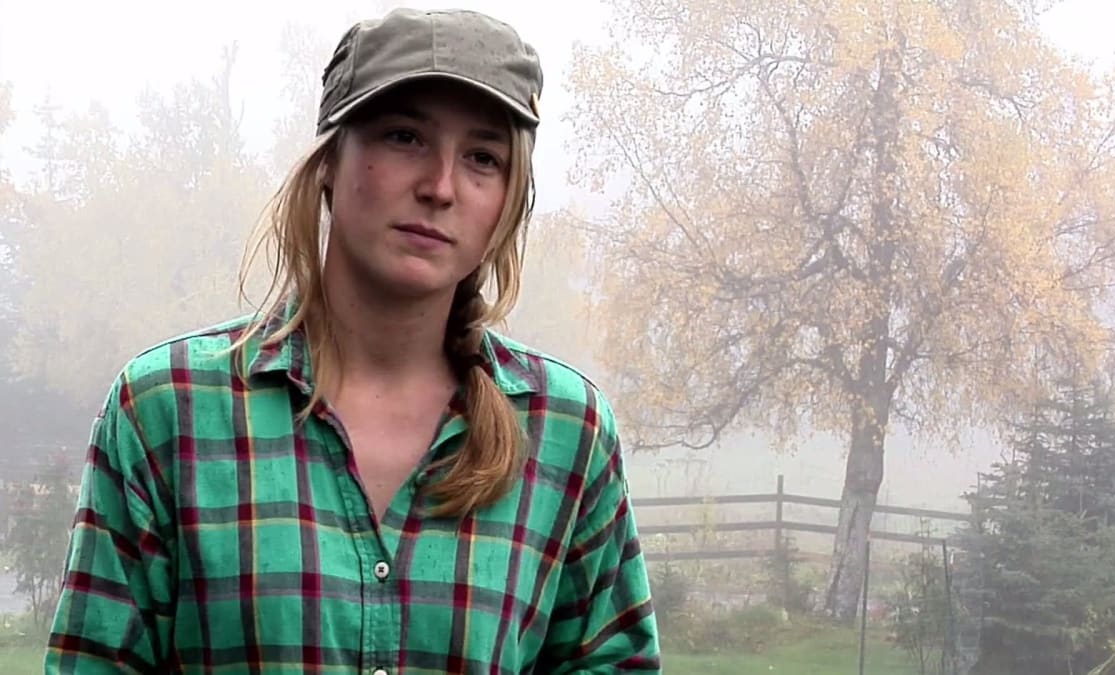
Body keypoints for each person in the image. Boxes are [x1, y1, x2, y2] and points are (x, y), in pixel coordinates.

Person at [44, 7, 661, 673]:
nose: (440, 187)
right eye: (404, 137)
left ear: (508, 200)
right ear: (331, 160)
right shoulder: (168, 411)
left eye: (482, 158)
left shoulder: (566, 431)